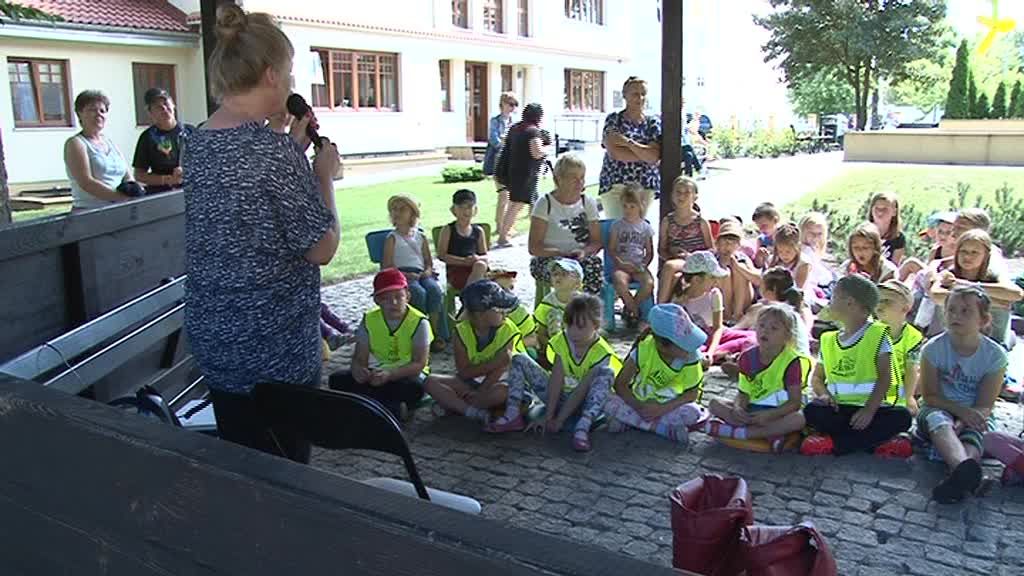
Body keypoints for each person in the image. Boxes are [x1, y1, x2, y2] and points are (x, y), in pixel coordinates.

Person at [182, 4, 340, 462]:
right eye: (289, 74)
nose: (292, 85)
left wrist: (290, 151)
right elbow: (322, 248)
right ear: (270, 75)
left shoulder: (197, 142)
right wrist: (321, 176)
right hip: (274, 355)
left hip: (218, 341)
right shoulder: (271, 155)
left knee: (243, 462)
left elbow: (246, 207)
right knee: (284, 476)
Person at [486, 294, 620, 452]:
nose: (574, 333)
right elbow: (556, 379)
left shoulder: (601, 352)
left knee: (606, 373)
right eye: (570, 326)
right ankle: (513, 414)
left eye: (581, 327)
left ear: (596, 326)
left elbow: (581, 391)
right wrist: (549, 417)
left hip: (585, 402)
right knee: (518, 359)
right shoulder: (562, 340)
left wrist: (559, 421)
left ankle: (583, 427)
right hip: (558, 396)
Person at [801, 275, 912, 457]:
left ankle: (835, 444)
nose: (830, 302)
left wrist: (869, 410)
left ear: (850, 303)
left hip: (874, 409)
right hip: (839, 409)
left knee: (902, 417)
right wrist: (824, 394)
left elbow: (886, 377)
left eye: (834, 297)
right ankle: (876, 443)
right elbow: (817, 378)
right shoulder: (828, 339)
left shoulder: (878, 335)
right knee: (812, 411)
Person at [917, 286, 1005, 503]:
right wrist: (958, 413)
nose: (956, 316)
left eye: (966, 311)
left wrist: (966, 420)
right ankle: (966, 473)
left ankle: (960, 476)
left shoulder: (995, 356)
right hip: (938, 408)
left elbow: (986, 404)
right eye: (952, 310)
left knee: (977, 432)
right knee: (939, 421)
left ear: (983, 320)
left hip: (975, 412)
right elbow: (929, 396)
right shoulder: (933, 349)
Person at [701, 303, 810, 451]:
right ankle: (769, 435)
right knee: (714, 403)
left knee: (799, 419)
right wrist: (739, 408)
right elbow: (744, 392)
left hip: (779, 413)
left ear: (787, 336)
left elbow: (794, 402)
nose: (765, 331)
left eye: (774, 328)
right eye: (762, 325)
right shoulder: (747, 357)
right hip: (753, 410)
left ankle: (746, 433)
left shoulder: (792, 362)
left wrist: (770, 415)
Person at [329, 269, 431, 421]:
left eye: (399, 296)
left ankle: (364, 404)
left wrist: (390, 374)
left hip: (405, 374)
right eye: (386, 299)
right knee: (337, 380)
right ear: (377, 301)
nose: (394, 303)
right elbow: (360, 357)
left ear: (407, 296)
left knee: (416, 388)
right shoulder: (369, 319)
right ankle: (391, 408)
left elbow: (419, 363)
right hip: (375, 372)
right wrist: (359, 370)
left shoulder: (419, 322)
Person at [603, 303, 708, 444]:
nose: (691, 348)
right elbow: (620, 384)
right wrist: (640, 407)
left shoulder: (691, 357)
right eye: (684, 344)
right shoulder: (644, 349)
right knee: (607, 400)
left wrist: (660, 409)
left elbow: (692, 394)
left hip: (669, 407)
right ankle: (663, 429)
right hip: (639, 403)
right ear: (662, 345)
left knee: (694, 412)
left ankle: (633, 422)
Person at [423, 280, 521, 423]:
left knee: (503, 392)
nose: (505, 314)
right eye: (499, 310)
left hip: (495, 383)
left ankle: (458, 406)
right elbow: (464, 372)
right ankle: (472, 411)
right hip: (468, 383)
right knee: (429, 382)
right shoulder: (461, 332)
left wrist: (481, 392)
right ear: (480, 315)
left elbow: (501, 369)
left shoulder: (508, 330)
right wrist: (495, 363)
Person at [925, 229, 1023, 349]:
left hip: (991, 343)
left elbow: (1016, 294)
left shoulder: (992, 276)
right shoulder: (949, 274)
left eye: (974, 252)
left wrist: (965, 285)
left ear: (986, 256)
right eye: (963, 251)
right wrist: (991, 301)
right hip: (954, 340)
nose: (967, 256)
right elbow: (936, 295)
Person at [527, 154, 603, 294]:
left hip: (579, 257)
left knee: (594, 266)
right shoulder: (545, 203)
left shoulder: (588, 203)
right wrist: (560, 253)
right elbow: (534, 247)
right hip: (549, 257)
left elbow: (597, 241)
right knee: (564, 272)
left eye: (582, 178)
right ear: (559, 179)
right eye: (574, 178)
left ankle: (585, 310)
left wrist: (584, 252)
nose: (579, 182)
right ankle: (562, 312)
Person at [382, 194, 449, 352]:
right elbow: (387, 266)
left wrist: (427, 271)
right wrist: (404, 275)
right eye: (394, 210)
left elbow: (428, 261)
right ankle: (419, 334)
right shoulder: (392, 238)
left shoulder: (420, 237)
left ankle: (435, 332)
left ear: (412, 213)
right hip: (401, 276)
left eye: (402, 209)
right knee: (417, 293)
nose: (397, 212)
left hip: (421, 274)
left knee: (434, 290)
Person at [672, 251, 758, 365]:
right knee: (692, 353)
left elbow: (718, 328)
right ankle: (725, 356)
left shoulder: (714, 294)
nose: (716, 282)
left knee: (753, 338)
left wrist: (711, 352)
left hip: (717, 336)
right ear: (697, 279)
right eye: (712, 278)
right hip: (697, 341)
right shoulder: (679, 300)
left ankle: (719, 355)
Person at [599, 76, 662, 220]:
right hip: (615, 184)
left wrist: (627, 143)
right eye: (635, 94)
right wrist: (644, 154)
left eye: (643, 94)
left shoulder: (653, 123)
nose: (640, 98)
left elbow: (654, 157)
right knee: (616, 230)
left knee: (638, 232)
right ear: (625, 96)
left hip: (644, 186)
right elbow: (615, 153)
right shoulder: (614, 120)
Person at [64, 90, 135, 210]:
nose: (98, 114)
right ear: (80, 113)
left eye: (102, 111)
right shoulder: (76, 143)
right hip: (90, 212)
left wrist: (134, 192)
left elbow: (127, 177)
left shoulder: (110, 143)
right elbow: (86, 182)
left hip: (119, 209)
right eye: (92, 110)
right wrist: (121, 198)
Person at [495, 102, 547, 247]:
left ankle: (537, 235)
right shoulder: (532, 131)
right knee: (516, 205)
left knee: (533, 204)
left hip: (512, 171)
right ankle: (503, 237)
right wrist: (546, 151)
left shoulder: (515, 128)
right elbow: (536, 153)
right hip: (525, 174)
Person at [657, 176, 713, 303]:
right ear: (672, 195)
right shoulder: (667, 221)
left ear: (694, 197)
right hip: (677, 260)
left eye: (687, 192)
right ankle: (664, 307)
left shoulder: (701, 221)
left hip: (696, 262)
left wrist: (691, 256)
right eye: (678, 192)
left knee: (670, 267)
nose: (682, 196)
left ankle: (660, 307)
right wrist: (671, 254)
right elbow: (661, 249)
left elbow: (711, 249)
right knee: (672, 269)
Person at [733, 266, 811, 356]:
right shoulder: (789, 308)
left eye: (761, 285)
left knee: (748, 340)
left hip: (788, 360)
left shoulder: (773, 311)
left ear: (773, 289)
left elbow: (738, 329)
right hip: (796, 358)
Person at [132, 88, 195, 194]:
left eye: (166, 103)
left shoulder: (191, 131)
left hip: (192, 192)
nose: (164, 108)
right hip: (162, 196)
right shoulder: (147, 137)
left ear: (173, 104)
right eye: (158, 106)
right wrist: (167, 179)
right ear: (150, 112)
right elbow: (139, 175)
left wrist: (188, 171)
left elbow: (208, 162)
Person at [609, 185, 656, 326]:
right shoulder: (617, 226)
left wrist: (643, 265)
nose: (628, 210)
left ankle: (629, 308)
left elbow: (650, 251)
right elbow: (612, 249)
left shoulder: (645, 227)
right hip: (622, 265)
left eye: (632, 206)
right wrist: (620, 263)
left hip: (638, 265)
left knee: (649, 284)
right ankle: (634, 311)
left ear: (641, 206)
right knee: (619, 281)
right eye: (625, 206)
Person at [876, 280, 924, 417]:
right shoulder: (869, 330)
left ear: (905, 308)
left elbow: (911, 369)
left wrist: (908, 397)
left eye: (887, 301)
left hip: (901, 382)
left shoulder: (913, 336)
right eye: (878, 300)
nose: (880, 305)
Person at [534, 258, 584, 368]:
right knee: (554, 314)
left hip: (578, 348)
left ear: (577, 282)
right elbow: (541, 332)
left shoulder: (583, 303)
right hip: (554, 347)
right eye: (555, 274)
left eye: (564, 274)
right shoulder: (547, 302)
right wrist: (552, 347)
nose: (558, 277)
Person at [437, 189, 489, 291]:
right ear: (453, 210)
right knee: (481, 279)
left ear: (475, 210)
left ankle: (468, 296)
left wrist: (476, 258)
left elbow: (485, 256)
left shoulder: (478, 230)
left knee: (481, 266)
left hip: (476, 268)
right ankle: (469, 297)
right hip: (457, 270)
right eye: (461, 207)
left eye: (469, 207)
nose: (465, 211)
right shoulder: (448, 229)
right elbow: (442, 255)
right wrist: (464, 261)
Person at [483, 92, 518, 233]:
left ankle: (508, 226)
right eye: (510, 104)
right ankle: (499, 226)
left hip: (511, 163)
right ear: (502, 104)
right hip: (498, 162)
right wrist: (505, 144)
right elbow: (494, 140)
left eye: (515, 105)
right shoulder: (495, 121)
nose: (512, 108)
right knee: (503, 194)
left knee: (511, 196)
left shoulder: (514, 122)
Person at [715, 218, 759, 323]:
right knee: (724, 274)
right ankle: (727, 315)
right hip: (721, 300)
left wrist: (738, 267)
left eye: (732, 243)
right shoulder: (712, 257)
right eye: (724, 243)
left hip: (743, 298)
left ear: (738, 245)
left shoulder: (742, 258)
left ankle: (738, 313)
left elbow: (758, 280)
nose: (728, 247)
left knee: (739, 270)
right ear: (717, 244)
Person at [488, 269, 536, 349]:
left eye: (510, 288)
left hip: (518, 347)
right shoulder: (484, 311)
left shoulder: (518, 311)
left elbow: (532, 339)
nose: (507, 293)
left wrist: (509, 347)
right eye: (501, 289)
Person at [768, 222, 810, 298]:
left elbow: (798, 288)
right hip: (773, 297)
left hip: (796, 298)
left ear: (797, 248)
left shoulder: (803, 263)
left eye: (788, 251)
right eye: (780, 251)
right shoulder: (773, 260)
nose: (784, 255)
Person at [868, 192, 906, 265]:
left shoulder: (898, 237)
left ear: (894, 212)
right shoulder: (864, 233)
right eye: (877, 208)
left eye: (885, 209)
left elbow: (894, 265)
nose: (880, 212)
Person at [752, 203, 781, 269]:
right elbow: (759, 265)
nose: (761, 229)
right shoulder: (761, 240)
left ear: (775, 220)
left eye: (764, 225)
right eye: (758, 226)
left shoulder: (786, 235)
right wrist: (759, 256)